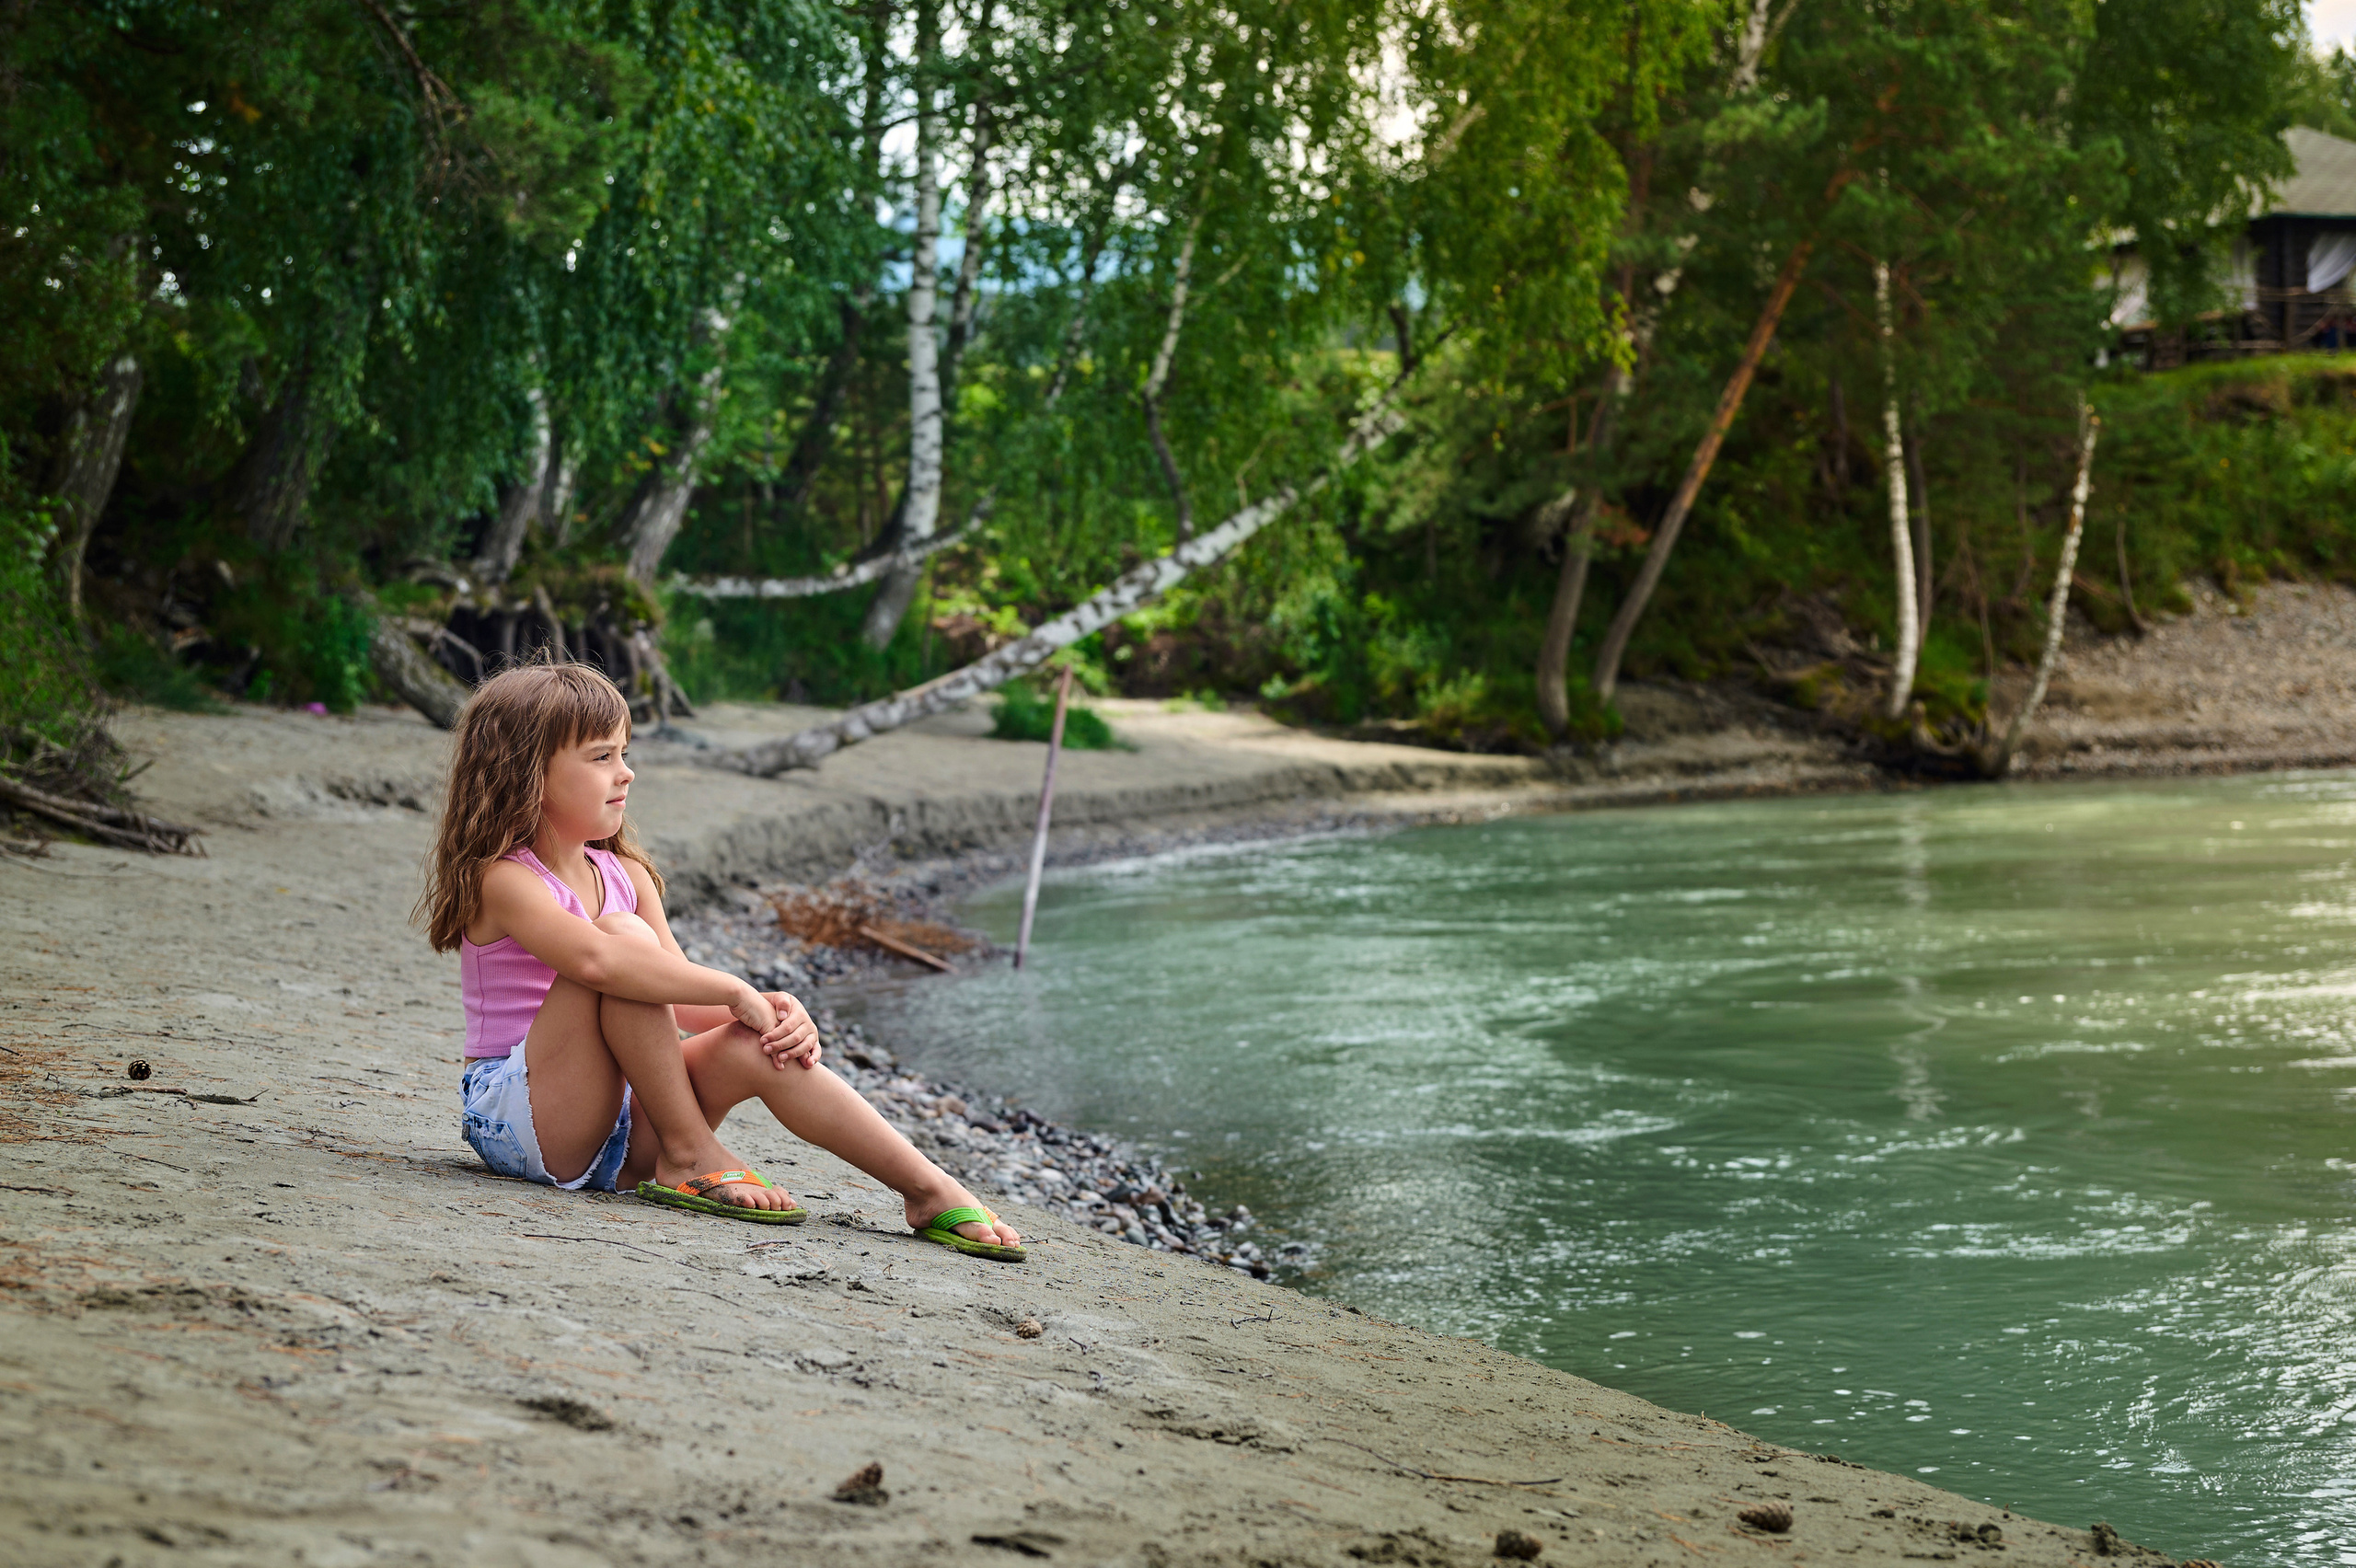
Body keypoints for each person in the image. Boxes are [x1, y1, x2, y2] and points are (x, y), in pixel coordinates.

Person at [416, 662, 1022, 1261]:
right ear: (527, 773)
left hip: (618, 1128)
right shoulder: (504, 880)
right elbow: (599, 962)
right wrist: (735, 988)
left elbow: (681, 1002)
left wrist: (772, 1014)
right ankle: (688, 1150)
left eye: (624, 754)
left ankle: (926, 1190)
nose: (625, 773)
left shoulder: (624, 875)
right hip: (523, 1117)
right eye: (602, 758)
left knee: (753, 1045)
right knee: (626, 943)